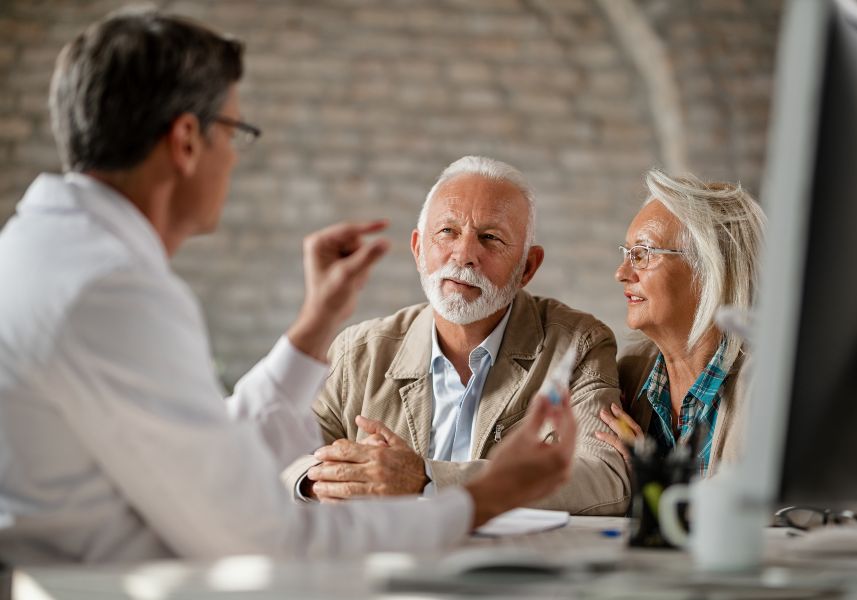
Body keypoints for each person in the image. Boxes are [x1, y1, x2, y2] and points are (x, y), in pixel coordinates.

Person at [0, 9, 578, 565]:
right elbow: (265, 534)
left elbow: (211, 456)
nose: (233, 156)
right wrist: (481, 497)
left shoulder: (38, 251)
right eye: (235, 130)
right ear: (186, 141)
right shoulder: (114, 291)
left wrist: (311, 329)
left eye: (490, 239)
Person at [283, 156, 630, 516]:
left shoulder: (578, 346)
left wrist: (427, 478)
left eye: (491, 238)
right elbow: (279, 457)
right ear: (418, 249)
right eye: (447, 232)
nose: (464, 255)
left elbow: (604, 479)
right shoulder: (358, 351)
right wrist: (318, 481)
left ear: (527, 267)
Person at [595, 170, 765, 476]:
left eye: (642, 254)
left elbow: (780, 512)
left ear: (710, 270)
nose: (621, 273)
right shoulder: (630, 373)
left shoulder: (767, 385)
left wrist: (653, 479)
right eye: (627, 253)